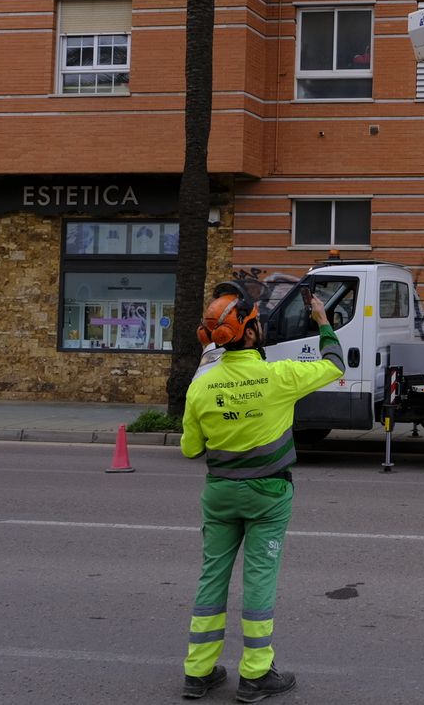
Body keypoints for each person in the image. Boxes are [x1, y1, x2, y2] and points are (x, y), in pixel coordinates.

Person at [180, 281, 345, 702]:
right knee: (258, 580)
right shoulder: (279, 376)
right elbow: (333, 365)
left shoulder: (200, 385)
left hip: (219, 494)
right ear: (250, 333)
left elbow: (190, 448)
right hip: (268, 495)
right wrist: (323, 323)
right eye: (256, 323)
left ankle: (198, 672)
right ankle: (254, 675)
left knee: (211, 576)